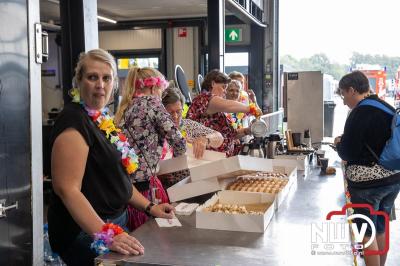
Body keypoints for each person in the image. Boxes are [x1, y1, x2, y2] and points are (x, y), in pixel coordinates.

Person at [47, 49, 174, 266]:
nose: (100, 85)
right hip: (86, 233)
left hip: (114, 223)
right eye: (92, 77)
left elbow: (118, 179)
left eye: (107, 78)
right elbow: (67, 189)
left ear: (114, 83)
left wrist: (150, 207)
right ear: (79, 81)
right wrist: (107, 234)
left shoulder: (100, 119)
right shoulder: (74, 122)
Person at [334, 71, 400, 266]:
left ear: (352, 90)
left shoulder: (360, 113)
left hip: (367, 184)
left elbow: (349, 152)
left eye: (344, 95)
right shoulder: (385, 106)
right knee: (380, 227)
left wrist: (339, 143)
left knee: (366, 233)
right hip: (393, 178)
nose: (344, 101)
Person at [114, 67, 186, 231]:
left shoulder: (126, 107)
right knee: (151, 236)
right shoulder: (152, 102)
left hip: (128, 187)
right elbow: (178, 141)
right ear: (154, 87)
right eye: (162, 89)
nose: (162, 94)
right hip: (145, 188)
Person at [187, 69, 262, 157]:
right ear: (213, 84)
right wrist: (250, 109)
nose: (225, 91)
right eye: (223, 87)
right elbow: (228, 105)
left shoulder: (216, 109)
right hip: (206, 159)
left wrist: (248, 130)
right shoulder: (203, 99)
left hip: (220, 160)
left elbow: (230, 134)